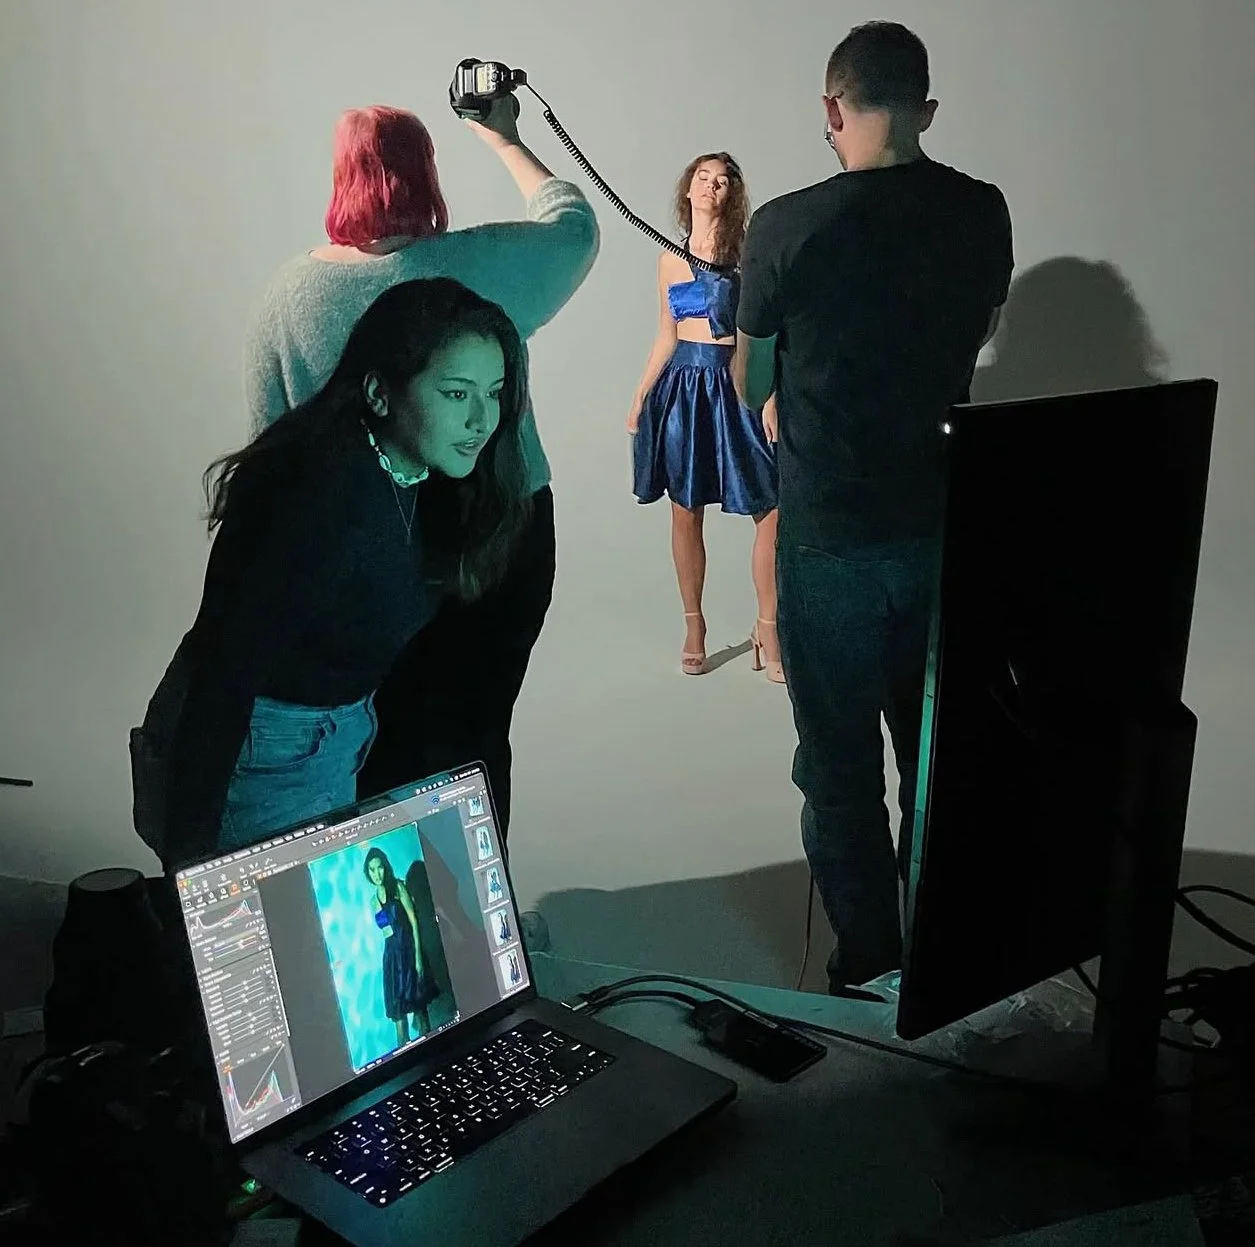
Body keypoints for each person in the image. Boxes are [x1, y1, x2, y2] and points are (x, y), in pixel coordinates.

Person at [732, 22, 1014, 991]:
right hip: (940, 525)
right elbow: (973, 333)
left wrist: (777, 373)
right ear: (925, 108)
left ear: (830, 108)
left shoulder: (783, 226)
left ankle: (867, 968)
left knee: (838, 768)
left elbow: (748, 384)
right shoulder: (980, 211)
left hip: (827, 536)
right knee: (935, 756)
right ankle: (937, 963)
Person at [244, 99, 599, 841]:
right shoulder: (480, 264)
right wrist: (504, 137)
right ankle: (475, 900)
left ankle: (395, 899)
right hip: (500, 537)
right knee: (475, 736)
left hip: (360, 555)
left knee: (372, 741)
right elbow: (575, 226)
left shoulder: (286, 297)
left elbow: (268, 456)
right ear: (426, 172)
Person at [135, 278, 532, 866]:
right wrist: (190, 866)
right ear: (379, 393)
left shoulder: (424, 474)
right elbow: (224, 676)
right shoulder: (313, 495)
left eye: (493, 393)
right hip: (260, 749)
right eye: (456, 394)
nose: (482, 419)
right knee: (266, 921)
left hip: (332, 736)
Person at [628, 153, 782, 681]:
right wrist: (640, 394)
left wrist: (770, 395)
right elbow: (666, 335)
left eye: (722, 180)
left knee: (772, 508)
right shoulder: (669, 258)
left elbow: (766, 332)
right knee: (685, 510)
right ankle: (694, 625)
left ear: (731, 193)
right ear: (688, 189)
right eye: (703, 177)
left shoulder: (747, 255)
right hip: (685, 390)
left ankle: (768, 627)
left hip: (737, 384)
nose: (712, 186)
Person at [364, 846, 438, 1045]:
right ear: (367, 872)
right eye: (372, 869)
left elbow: (414, 921)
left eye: (379, 867)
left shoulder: (398, 887)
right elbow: (386, 933)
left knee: (421, 1015)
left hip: (409, 953)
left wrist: (418, 957)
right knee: (399, 1024)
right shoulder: (373, 901)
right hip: (391, 960)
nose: (377, 874)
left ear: (385, 867)